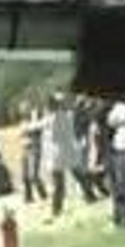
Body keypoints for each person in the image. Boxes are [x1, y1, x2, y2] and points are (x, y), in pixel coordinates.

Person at [42, 92, 95, 220]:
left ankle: (87, 196)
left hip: (62, 151)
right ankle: (58, 207)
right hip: (58, 152)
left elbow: (58, 135)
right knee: (66, 180)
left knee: (72, 177)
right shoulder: (57, 117)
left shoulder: (59, 117)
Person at [18, 100, 47, 203]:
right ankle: (28, 197)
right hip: (25, 149)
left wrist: (34, 116)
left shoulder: (37, 121)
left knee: (34, 175)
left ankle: (43, 195)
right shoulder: (23, 122)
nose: (23, 111)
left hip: (34, 148)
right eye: (22, 109)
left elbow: (35, 127)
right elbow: (23, 133)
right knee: (24, 175)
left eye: (25, 108)